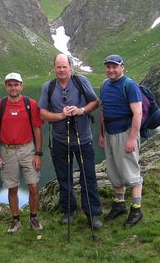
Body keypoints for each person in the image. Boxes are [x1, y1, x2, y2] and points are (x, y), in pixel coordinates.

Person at [38, 53, 103, 228]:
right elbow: (42, 113)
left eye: (64, 66)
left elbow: (95, 102)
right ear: (54, 68)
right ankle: (68, 209)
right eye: (58, 67)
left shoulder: (81, 81)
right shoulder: (48, 87)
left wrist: (81, 110)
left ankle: (93, 213)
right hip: (60, 140)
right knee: (64, 177)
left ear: (70, 67)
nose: (61, 70)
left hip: (83, 139)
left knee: (88, 176)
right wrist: (61, 115)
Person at [0, 72, 44, 233]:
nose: (13, 88)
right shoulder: (0, 105)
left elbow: (37, 129)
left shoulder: (30, 104)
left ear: (21, 86)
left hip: (28, 149)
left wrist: (38, 154)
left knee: (33, 186)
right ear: (6, 86)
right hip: (7, 150)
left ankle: (33, 218)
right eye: (10, 85)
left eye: (16, 84)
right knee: (12, 187)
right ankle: (15, 220)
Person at [98, 54, 144, 226]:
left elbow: (138, 113)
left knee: (131, 172)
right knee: (114, 171)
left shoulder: (130, 85)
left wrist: (132, 138)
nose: (111, 70)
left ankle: (137, 209)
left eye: (114, 66)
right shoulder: (104, 85)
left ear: (122, 67)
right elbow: (103, 110)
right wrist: (102, 134)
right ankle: (119, 204)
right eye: (108, 66)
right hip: (109, 133)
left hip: (125, 133)